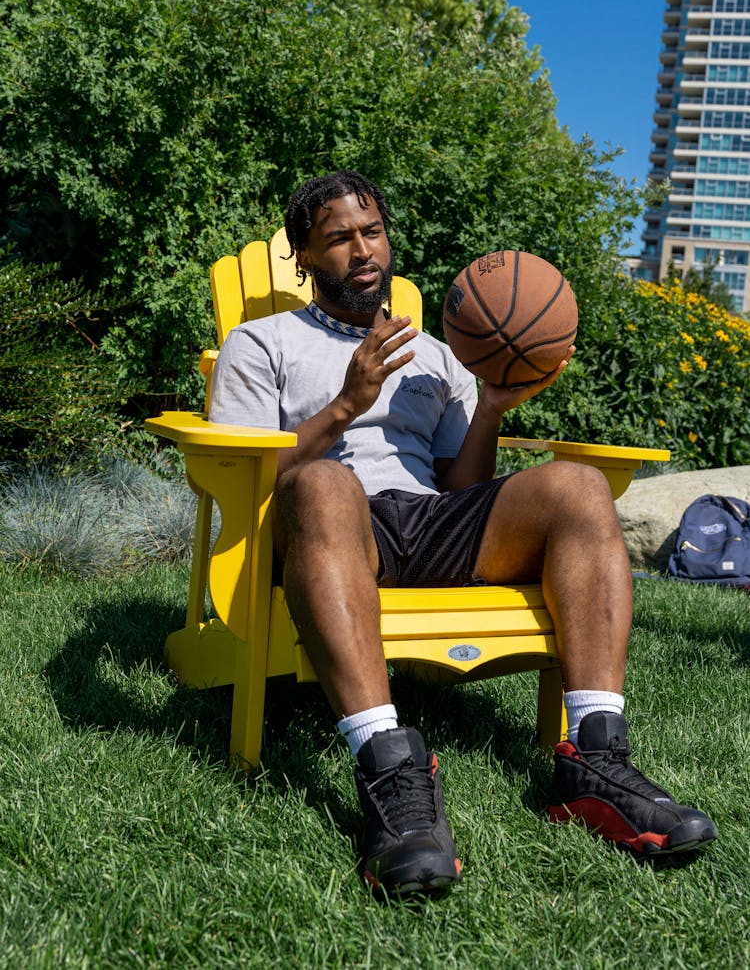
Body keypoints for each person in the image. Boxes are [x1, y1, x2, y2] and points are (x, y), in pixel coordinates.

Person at [209, 170, 718, 894]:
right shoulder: (262, 343)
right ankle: (388, 762)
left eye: (372, 231)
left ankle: (595, 758)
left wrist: (491, 406)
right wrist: (345, 406)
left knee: (576, 482)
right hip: (329, 526)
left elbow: (465, 491)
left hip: (430, 521)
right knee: (322, 482)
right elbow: (250, 469)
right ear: (303, 257)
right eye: (339, 238)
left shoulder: (439, 356)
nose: (362, 250)